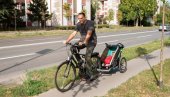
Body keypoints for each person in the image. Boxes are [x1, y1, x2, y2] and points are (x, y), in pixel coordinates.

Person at [63, 12, 97, 80]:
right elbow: (73, 34)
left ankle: (92, 74)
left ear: (84, 17)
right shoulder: (78, 24)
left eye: (81, 18)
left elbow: (89, 34)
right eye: (78, 18)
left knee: (87, 58)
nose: (80, 20)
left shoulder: (90, 23)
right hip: (82, 41)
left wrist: (85, 42)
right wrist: (67, 41)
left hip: (92, 42)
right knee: (72, 48)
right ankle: (80, 61)